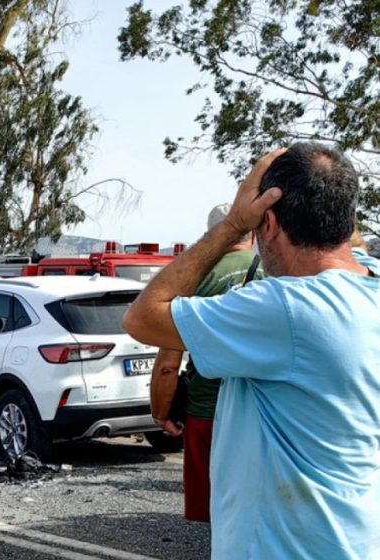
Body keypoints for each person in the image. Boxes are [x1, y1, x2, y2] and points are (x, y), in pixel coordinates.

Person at [123, 143, 380, 559]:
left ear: (270, 223)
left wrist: (232, 225)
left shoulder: (288, 308)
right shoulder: (371, 286)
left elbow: (142, 317)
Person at [149, 202, 261, 523]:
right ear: (253, 232)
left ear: (212, 236)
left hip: (207, 412)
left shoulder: (193, 280)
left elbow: (169, 364)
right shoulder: (279, 272)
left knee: (217, 514)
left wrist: (161, 413)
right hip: (265, 412)